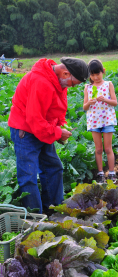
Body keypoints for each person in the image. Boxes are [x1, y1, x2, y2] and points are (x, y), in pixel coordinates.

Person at [8, 57, 88, 214]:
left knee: (53, 167)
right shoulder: (41, 82)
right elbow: (34, 119)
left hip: (43, 129)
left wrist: (60, 124)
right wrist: (58, 133)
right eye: (73, 83)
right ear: (65, 73)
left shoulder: (55, 80)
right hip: (25, 131)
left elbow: (54, 108)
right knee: (28, 176)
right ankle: (35, 218)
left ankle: (53, 208)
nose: (71, 87)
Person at [83, 59, 117, 182]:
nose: (95, 77)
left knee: (108, 149)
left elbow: (115, 102)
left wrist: (105, 100)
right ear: (89, 75)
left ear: (103, 72)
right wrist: (89, 102)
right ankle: (100, 173)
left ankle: (112, 172)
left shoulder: (108, 84)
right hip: (94, 121)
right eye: (92, 75)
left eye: (98, 74)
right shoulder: (88, 87)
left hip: (107, 120)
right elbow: (84, 107)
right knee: (98, 149)